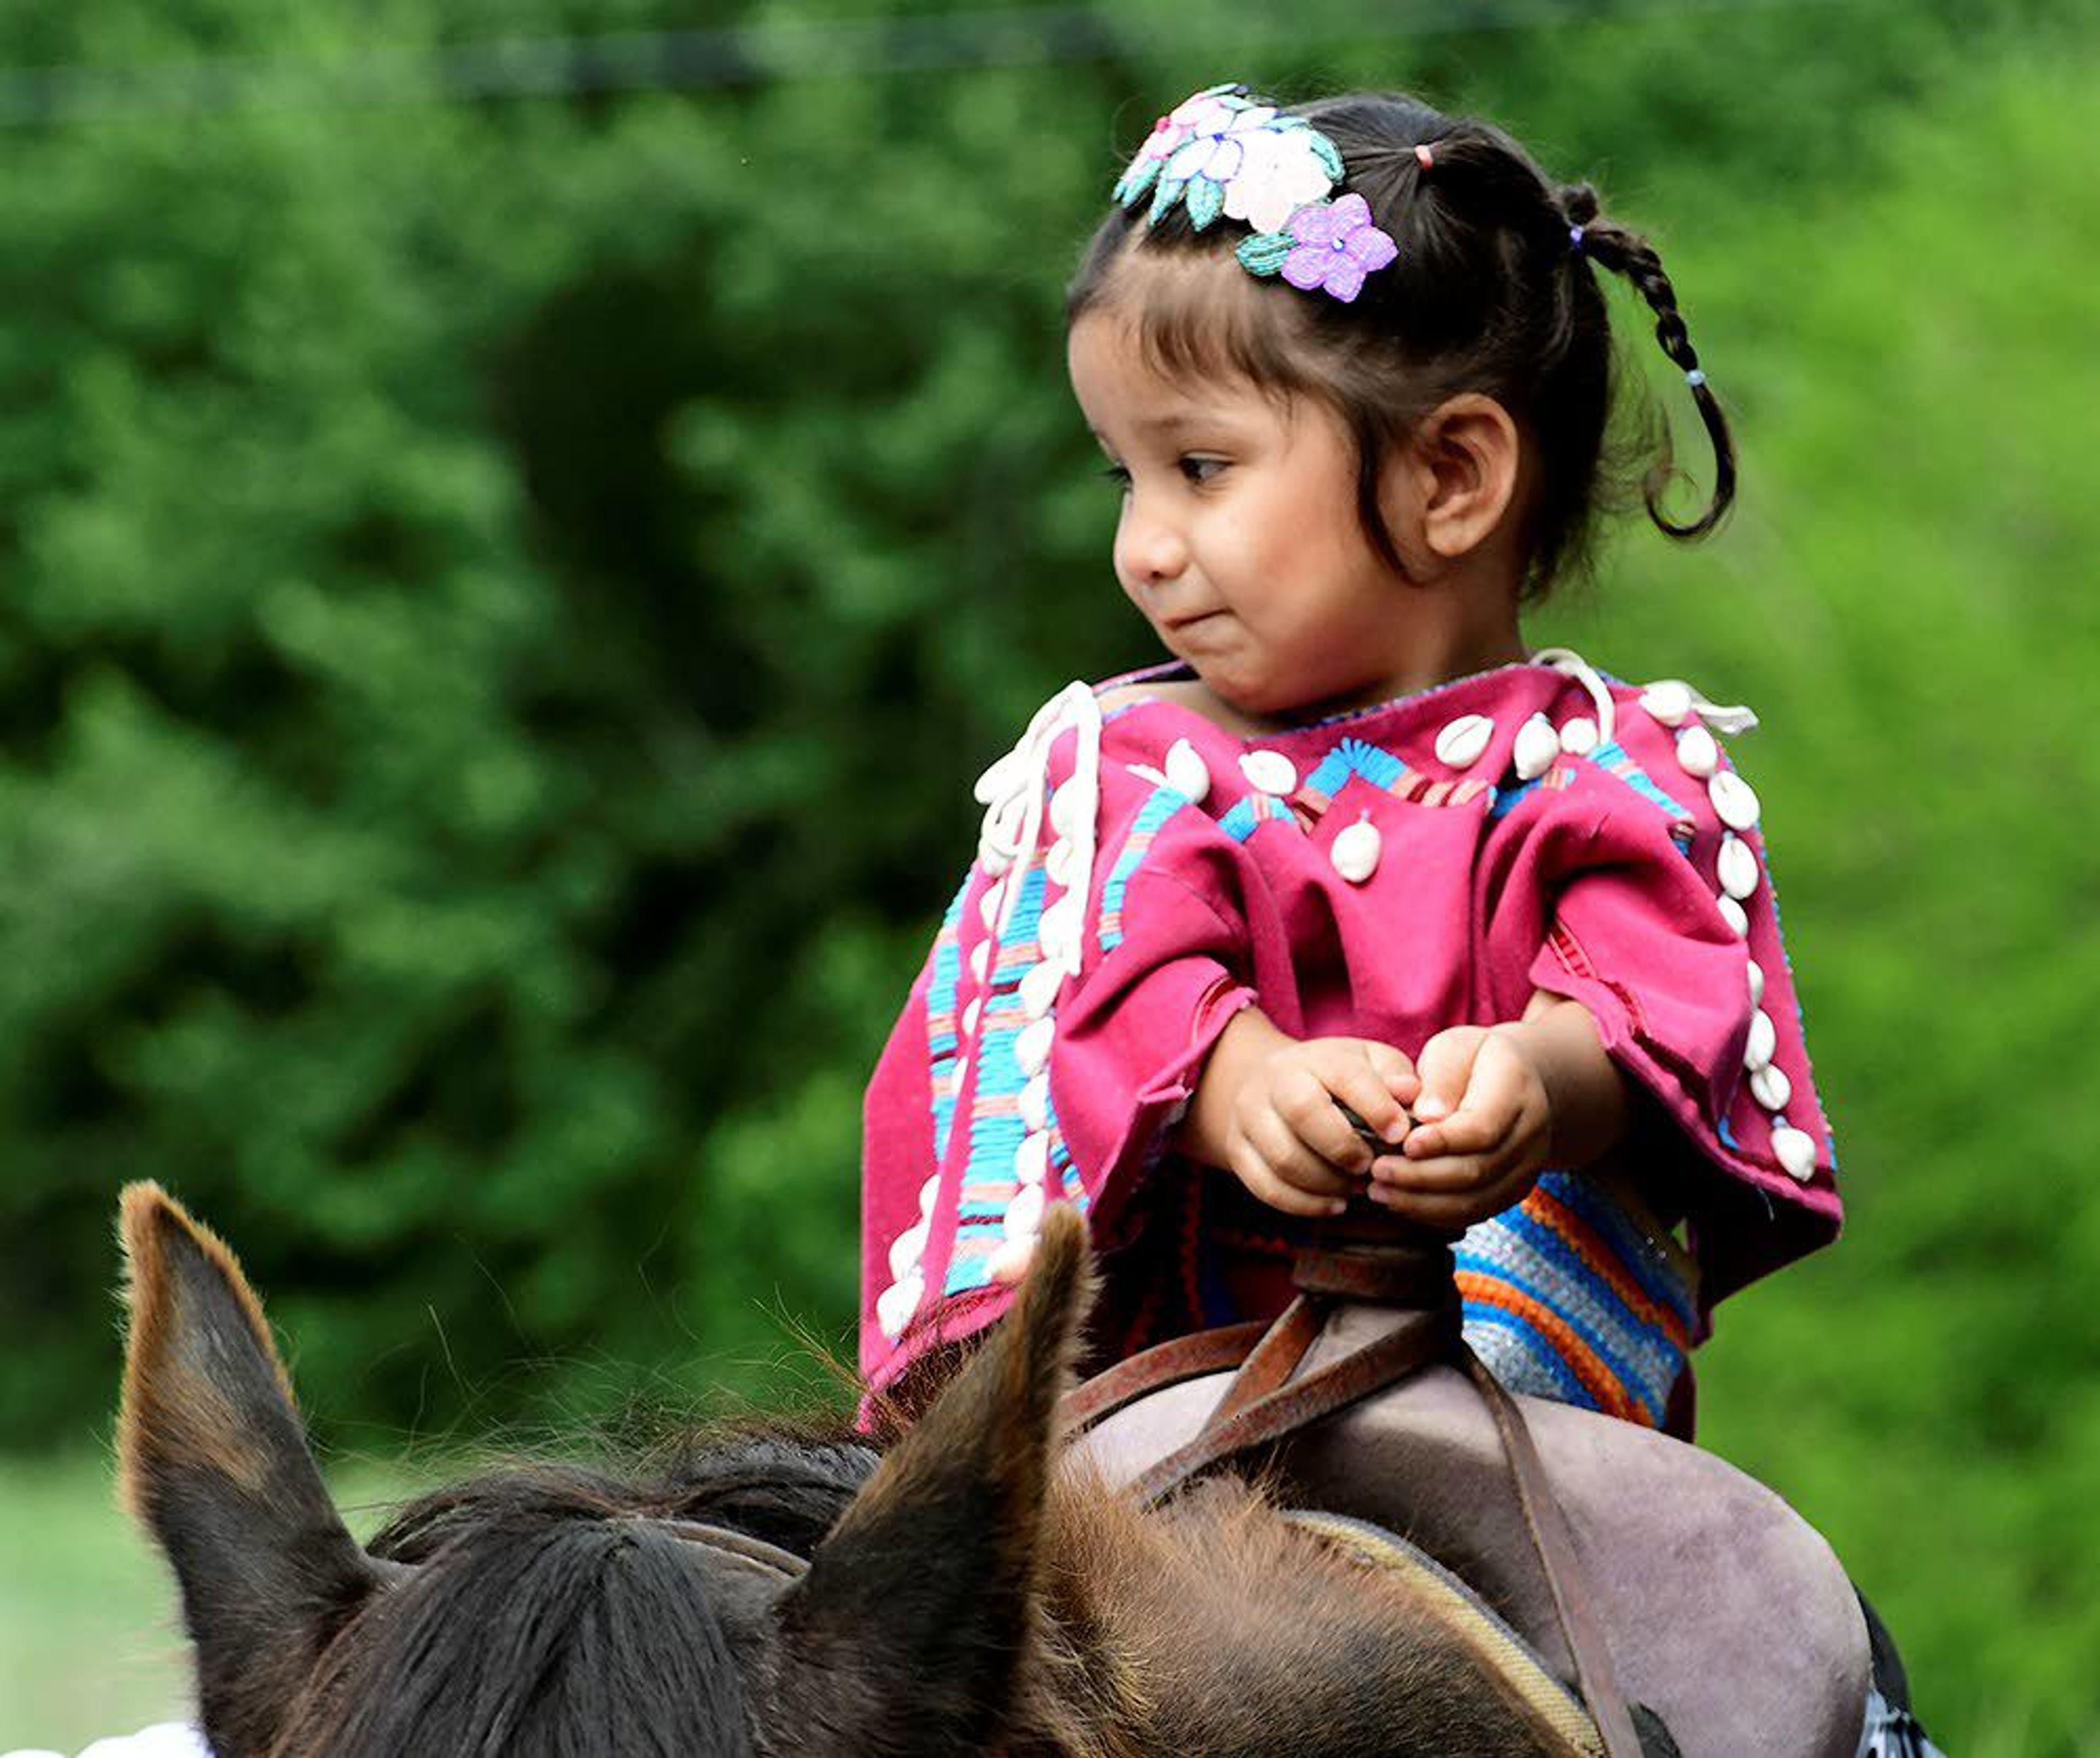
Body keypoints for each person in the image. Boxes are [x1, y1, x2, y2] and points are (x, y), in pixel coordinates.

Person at [860, 83, 1842, 1442]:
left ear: (1451, 477)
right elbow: (1090, 995)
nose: (1140, 545)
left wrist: (1540, 1085)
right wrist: (1234, 1079)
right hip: (1165, 1423)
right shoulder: (1134, 774)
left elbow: (1664, 997)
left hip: (1543, 1429)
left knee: (1768, 1641)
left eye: (1200, 466)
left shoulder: (1609, 770)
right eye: (1123, 478)